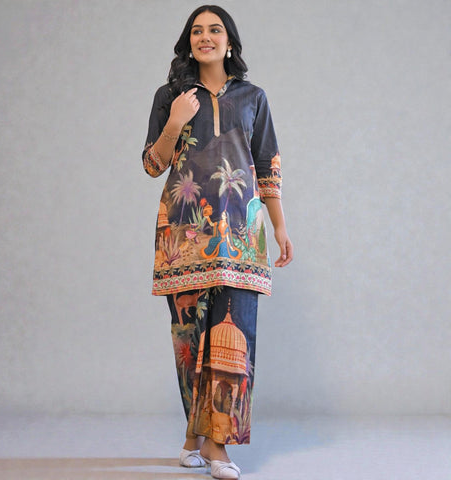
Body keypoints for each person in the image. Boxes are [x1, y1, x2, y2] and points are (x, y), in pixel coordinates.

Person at [142, 5, 293, 479]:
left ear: (229, 42)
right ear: (189, 42)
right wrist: (175, 120)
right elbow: (152, 165)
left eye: (214, 30)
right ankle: (193, 436)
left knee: (235, 340)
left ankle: (217, 446)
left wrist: (280, 227)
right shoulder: (170, 95)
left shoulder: (253, 97)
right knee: (189, 343)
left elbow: (267, 167)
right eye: (196, 31)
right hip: (182, 235)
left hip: (243, 237)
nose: (204, 37)